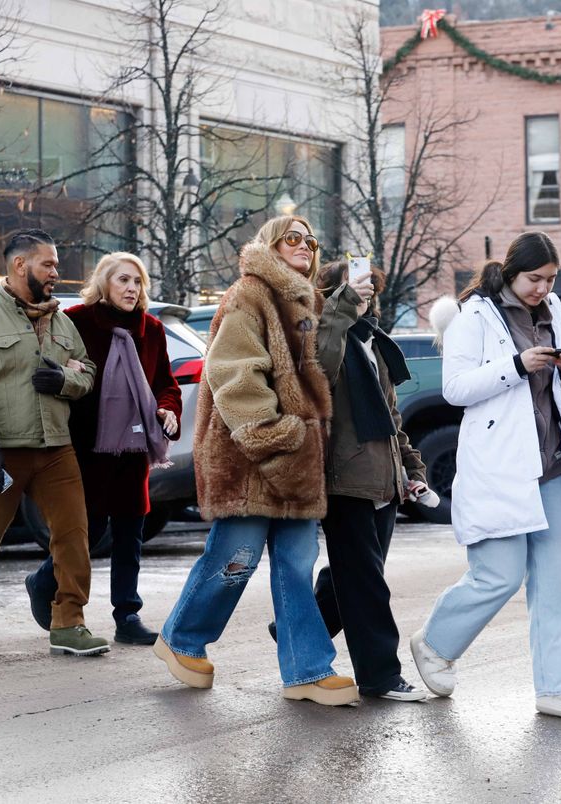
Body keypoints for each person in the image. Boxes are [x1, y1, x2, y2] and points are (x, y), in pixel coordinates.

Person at [153, 216, 359, 706]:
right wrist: (274, 436)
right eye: (293, 237)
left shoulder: (308, 304)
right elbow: (234, 375)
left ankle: (307, 669)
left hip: (297, 462)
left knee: (296, 567)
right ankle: (180, 638)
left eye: (311, 239)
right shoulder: (249, 294)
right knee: (234, 561)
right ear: (270, 244)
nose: (305, 245)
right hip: (250, 457)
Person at [411, 231, 561, 723]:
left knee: (559, 583)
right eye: (535, 279)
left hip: (550, 467)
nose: (543, 288)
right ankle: (435, 644)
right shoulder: (473, 315)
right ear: (512, 271)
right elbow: (455, 389)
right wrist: (516, 365)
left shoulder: (552, 310)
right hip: (501, 466)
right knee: (497, 576)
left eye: (551, 279)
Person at [0, 229, 103, 656]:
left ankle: (69, 621)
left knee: (73, 534)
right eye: (47, 264)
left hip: (55, 448)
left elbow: (87, 370)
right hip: (3, 450)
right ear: (19, 265)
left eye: (55, 264)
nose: (55, 272)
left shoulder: (61, 321)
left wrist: (65, 379)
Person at [24, 252, 181, 645]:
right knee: (86, 531)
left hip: (132, 446)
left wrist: (168, 410)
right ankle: (43, 581)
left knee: (131, 533)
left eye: (138, 282)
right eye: (123, 280)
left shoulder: (152, 330)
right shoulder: (77, 320)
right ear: (104, 284)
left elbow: (166, 382)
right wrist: (66, 369)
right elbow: (46, 361)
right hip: (86, 443)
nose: (132, 289)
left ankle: (127, 616)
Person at [300, 259, 436, 702]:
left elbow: (391, 418)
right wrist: (338, 309)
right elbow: (317, 371)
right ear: (332, 294)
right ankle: (379, 675)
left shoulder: (371, 342)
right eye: (354, 288)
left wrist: (412, 470)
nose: (366, 295)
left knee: (352, 577)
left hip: (384, 479)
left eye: (370, 289)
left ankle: (295, 631)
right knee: (366, 582)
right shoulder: (323, 338)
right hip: (344, 479)